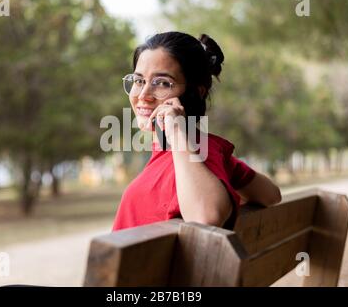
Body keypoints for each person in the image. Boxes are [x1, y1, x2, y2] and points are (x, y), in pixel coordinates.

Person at [112, 31, 281, 231]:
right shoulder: (199, 152)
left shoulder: (196, 150)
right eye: (139, 81)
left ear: (195, 92)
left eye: (163, 83)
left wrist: (177, 132)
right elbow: (271, 194)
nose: (143, 95)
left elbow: (207, 217)